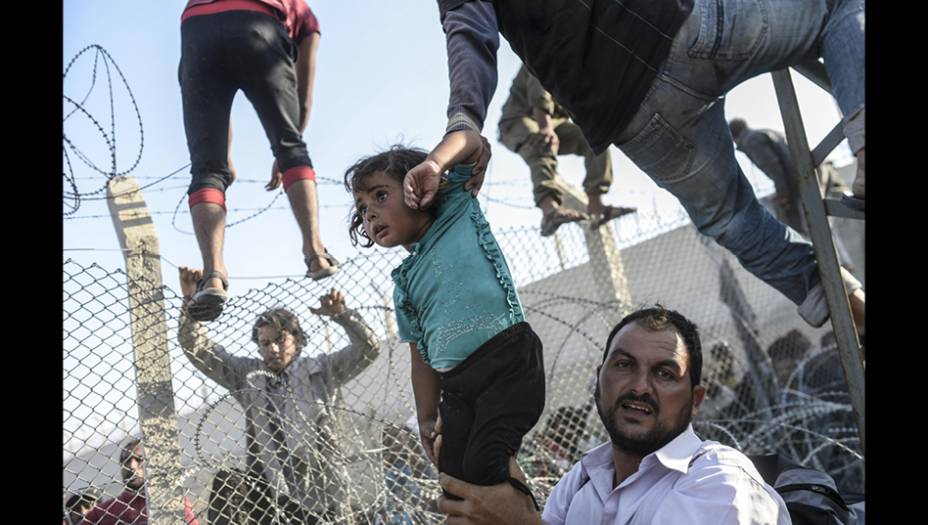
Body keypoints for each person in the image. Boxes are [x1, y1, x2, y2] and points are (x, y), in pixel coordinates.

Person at [409, 0, 865, 332]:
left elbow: (469, 34)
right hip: (673, 26)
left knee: (730, 219)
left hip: (631, 116)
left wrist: (463, 122)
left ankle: (842, 300)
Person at [437, 305, 791, 524]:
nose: (640, 387)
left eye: (665, 374)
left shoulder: (721, 484)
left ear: (695, 399)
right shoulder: (582, 481)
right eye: (624, 365)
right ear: (598, 379)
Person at [345, 145, 546, 500]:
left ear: (418, 187)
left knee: (487, 463)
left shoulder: (456, 209)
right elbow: (420, 360)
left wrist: (435, 164)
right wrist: (425, 416)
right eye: (362, 209)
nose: (370, 214)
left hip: (506, 363)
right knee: (453, 478)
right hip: (456, 387)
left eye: (380, 195)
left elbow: (469, 141)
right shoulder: (405, 286)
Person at [178, 268, 380, 523]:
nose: (272, 349)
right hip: (271, 492)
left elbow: (369, 348)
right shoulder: (248, 376)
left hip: (321, 491)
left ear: (296, 339)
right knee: (228, 483)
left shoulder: (321, 371)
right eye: (264, 343)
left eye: (280, 340)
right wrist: (191, 304)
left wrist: (343, 315)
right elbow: (201, 350)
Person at [178, 0, 339, 323]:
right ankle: (316, 251)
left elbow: (217, 92)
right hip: (259, 21)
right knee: (292, 147)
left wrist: (223, 156)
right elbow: (302, 102)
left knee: (208, 170)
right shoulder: (304, 16)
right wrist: (287, 148)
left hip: (196, 25)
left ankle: (212, 274)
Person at [498, 65, 636, 236]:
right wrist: (545, 127)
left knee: (593, 138)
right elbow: (538, 85)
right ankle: (550, 211)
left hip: (556, 121)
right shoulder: (545, 51)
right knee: (543, 142)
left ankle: (596, 204)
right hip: (518, 120)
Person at [79, 439, 199, 525]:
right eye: (126, 460)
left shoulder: (172, 500)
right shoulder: (104, 511)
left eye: (139, 459)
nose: (132, 466)